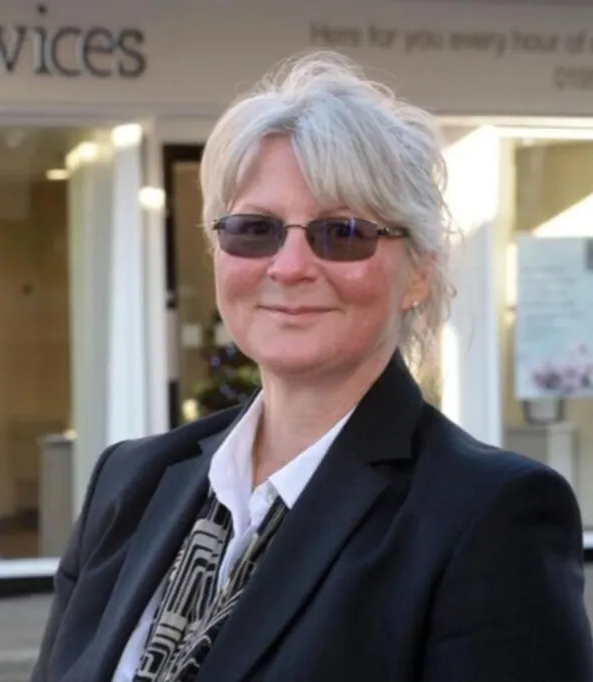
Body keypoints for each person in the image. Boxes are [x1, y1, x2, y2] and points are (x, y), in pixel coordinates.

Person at [31, 51, 593, 682]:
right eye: (255, 229)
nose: (290, 266)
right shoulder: (130, 481)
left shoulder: (489, 517)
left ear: (419, 273)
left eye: (342, 231)